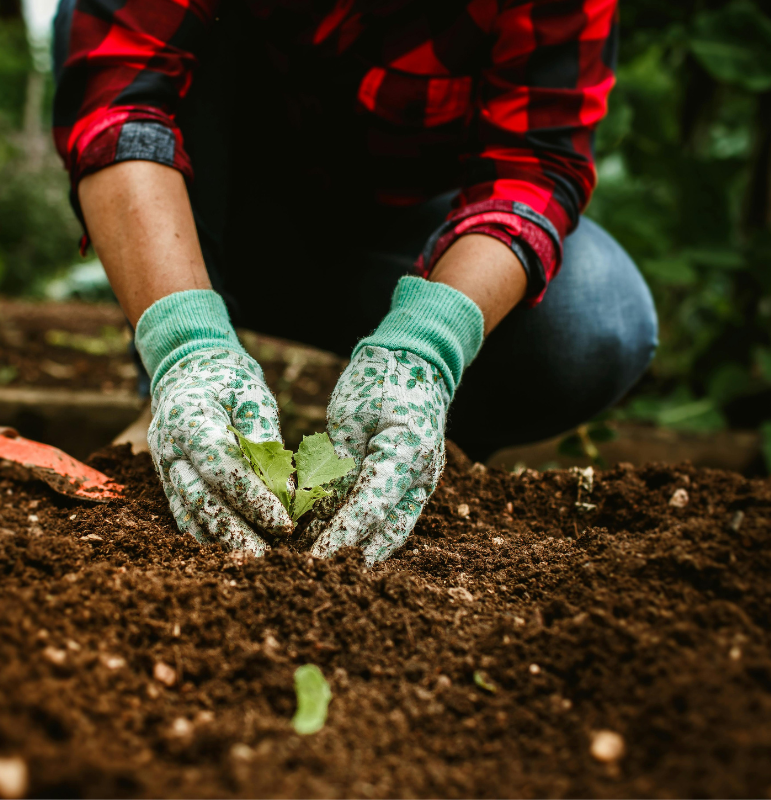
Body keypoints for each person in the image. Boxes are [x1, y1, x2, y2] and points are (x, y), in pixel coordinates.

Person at [52, 0, 657, 564]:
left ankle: (415, 444)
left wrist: (424, 347)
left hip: (407, 249)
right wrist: (184, 347)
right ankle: (173, 396)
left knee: (595, 315)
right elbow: (118, 95)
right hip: (218, 228)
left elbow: (534, 167)